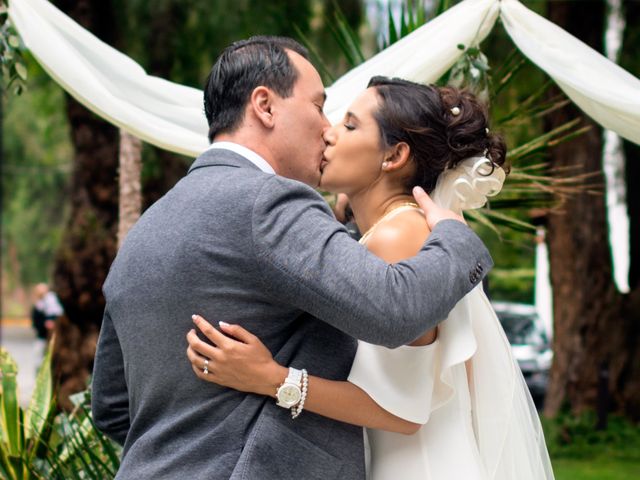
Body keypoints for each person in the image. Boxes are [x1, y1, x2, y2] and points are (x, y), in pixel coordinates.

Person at [91, 37, 493, 480]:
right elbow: (394, 311)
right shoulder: (270, 202)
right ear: (264, 106)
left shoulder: (146, 230)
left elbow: (111, 406)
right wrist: (457, 240)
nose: (327, 128)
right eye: (319, 106)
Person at [186, 78, 555, 479]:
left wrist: (272, 379)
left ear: (393, 155)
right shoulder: (384, 233)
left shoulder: (400, 235)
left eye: (349, 125)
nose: (328, 133)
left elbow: (405, 410)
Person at [31, 283, 63, 358]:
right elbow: (35, 323)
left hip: (55, 338)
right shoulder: (37, 307)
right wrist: (44, 324)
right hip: (42, 337)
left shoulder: (54, 302)